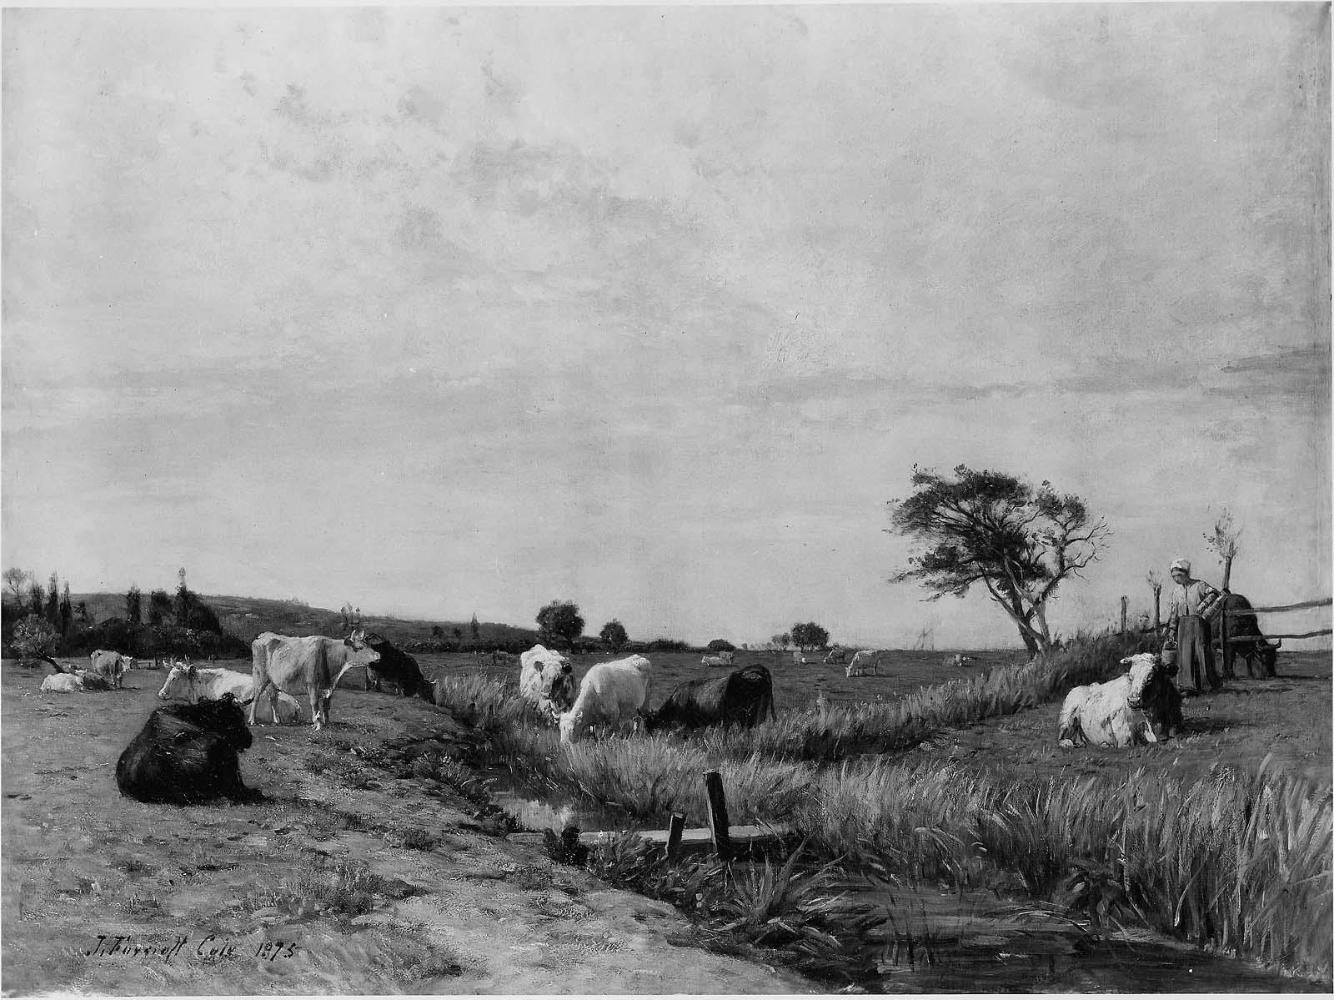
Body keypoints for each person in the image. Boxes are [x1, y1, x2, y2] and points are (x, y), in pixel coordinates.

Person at [1164, 558, 1221, 694]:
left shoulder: (1199, 585)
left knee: (1203, 652)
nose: (1176, 579)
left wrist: (1204, 604)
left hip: (1200, 622)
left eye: (1178, 575)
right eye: (1173, 576)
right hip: (1183, 624)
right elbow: (1174, 612)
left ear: (1185, 573)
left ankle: (1210, 684)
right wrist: (1172, 629)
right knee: (1185, 655)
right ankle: (1187, 686)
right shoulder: (1176, 591)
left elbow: (1214, 593)